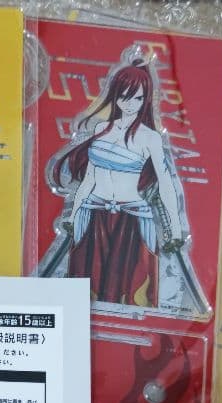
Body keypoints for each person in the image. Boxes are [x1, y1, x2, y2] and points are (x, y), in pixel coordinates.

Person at [48, 59, 194, 307]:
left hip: (132, 221)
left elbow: (166, 184)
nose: (131, 104)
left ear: (145, 100)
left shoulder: (150, 138)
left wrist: (176, 228)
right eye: (125, 96)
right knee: (85, 294)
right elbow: (90, 179)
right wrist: (73, 215)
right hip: (93, 217)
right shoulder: (101, 129)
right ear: (115, 94)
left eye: (138, 98)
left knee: (130, 291)